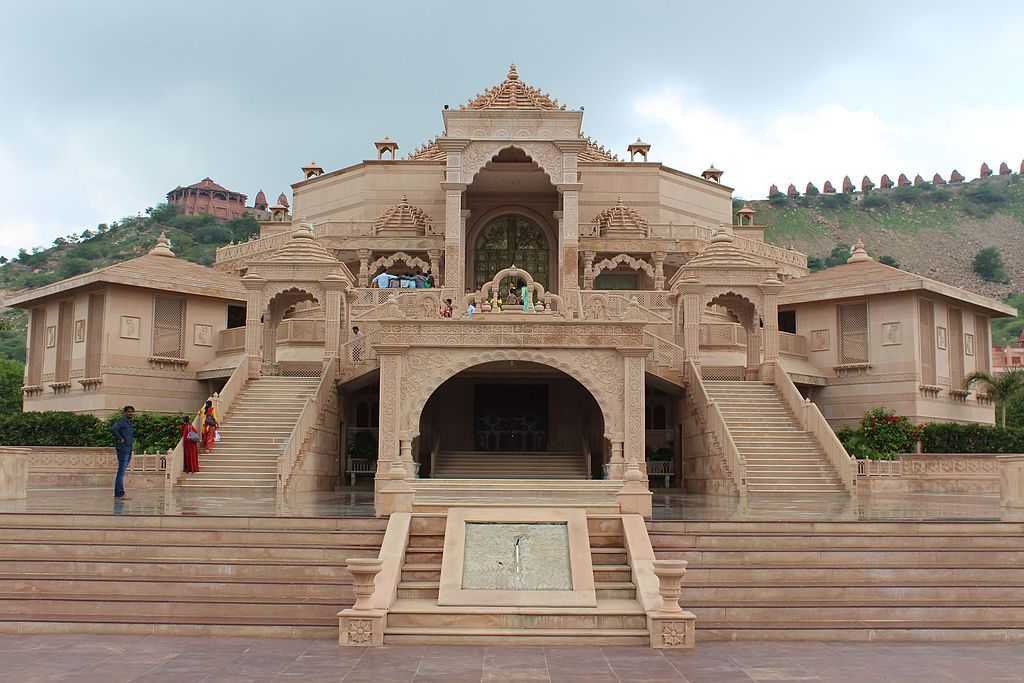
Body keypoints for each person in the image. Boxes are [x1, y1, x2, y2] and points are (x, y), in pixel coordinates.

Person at [110, 406, 135, 499]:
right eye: (128, 412)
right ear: (124, 413)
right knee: (121, 471)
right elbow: (114, 429)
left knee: (122, 471)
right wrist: (120, 438)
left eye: (132, 412)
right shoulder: (122, 421)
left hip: (128, 448)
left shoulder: (130, 423)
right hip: (123, 449)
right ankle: (119, 494)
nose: (130, 413)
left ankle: (118, 493)